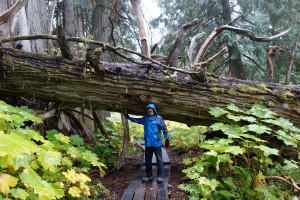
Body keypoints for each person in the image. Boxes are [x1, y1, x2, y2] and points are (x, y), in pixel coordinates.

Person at [124, 104, 169, 183]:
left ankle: (160, 176)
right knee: (148, 160)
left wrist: (167, 138)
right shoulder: (145, 118)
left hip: (156, 143)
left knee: (159, 160)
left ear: (154, 110)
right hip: (148, 143)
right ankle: (149, 175)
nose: (150, 110)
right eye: (148, 109)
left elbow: (164, 129)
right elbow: (138, 120)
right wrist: (129, 118)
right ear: (147, 111)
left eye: (151, 109)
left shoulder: (159, 118)